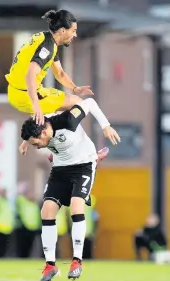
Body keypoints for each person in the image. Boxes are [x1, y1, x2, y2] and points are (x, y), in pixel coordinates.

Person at [20, 98, 120, 280]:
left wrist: (105, 125)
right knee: (47, 210)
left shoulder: (68, 120)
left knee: (76, 205)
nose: (36, 147)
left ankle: (77, 261)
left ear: (44, 134)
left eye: (36, 143)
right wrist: (26, 142)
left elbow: (89, 102)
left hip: (82, 166)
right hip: (60, 169)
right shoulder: (39, 124)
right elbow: (32, 126)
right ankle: (50, 265)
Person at [5, 9, 94, 127]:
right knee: (79, 104)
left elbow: (59, 73)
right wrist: (36, 105)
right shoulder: (48, 48)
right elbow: (30, 74)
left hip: (17, 91)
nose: (75, 35)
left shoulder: (46, 39)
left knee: (61, 107)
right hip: (26, 95)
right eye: (73, 31)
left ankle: (48, 131)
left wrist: (75, 88)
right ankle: (62, 139)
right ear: (63, 30)